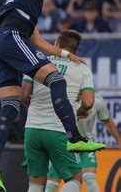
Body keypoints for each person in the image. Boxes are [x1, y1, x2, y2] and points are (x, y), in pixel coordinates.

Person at [0, 0, 105, 192]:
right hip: (12, 37)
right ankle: (75, 139)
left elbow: (38, 41)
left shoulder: (20, 3)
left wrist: (67, 55)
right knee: (56, 79)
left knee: (11, 105)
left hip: (0, 43)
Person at [21, 30, 95, 192]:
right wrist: (81, 110)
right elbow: (89, 102)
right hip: (59, 130)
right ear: (75, 50)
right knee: (75, 178)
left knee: (36, 183)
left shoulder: (39, 61)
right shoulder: (82, 68)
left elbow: (24, 95)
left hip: (32, 128)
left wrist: (35, 107)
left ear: (57, 45)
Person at [46, 94, 121, 192]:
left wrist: (119, 141)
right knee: (51, 186)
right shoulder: (59, 97)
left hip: (85, 145)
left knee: (90, 180)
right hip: (63, 146)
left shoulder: (96, 100)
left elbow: (107, 121)